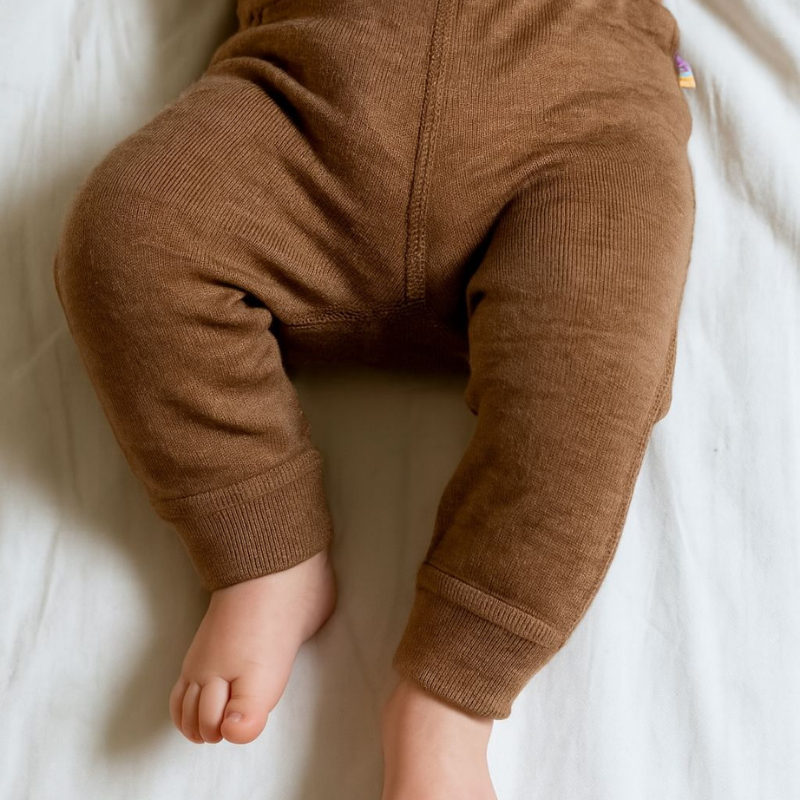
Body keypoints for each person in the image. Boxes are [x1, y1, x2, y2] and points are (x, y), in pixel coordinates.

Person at [52, 0, 695, 796]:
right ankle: (266, 553)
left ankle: (449, 697)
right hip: (311, 92)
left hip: (574, 104)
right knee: (126, 236)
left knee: (594, 368)